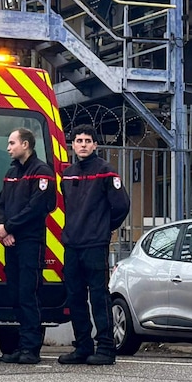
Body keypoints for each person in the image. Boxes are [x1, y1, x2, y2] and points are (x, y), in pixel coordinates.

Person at [57, 125, 129, 366]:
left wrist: (104, 227)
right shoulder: (68, 174)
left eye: (88, 140)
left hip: (95, 245)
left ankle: (106, 348)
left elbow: (121, 206)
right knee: (75, 297)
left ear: (96, 145)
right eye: (79, 140)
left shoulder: (106, 172)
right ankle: (83, 346)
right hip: (72, 245)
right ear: (73, 144)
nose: (83, 144)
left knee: (99, 296)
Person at [0, 127, 57, 365]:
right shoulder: (11, 173)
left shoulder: (42, 172)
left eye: (12, 143)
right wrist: (3, 228)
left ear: (26, 145)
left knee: (28, 294)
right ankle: (21, 346)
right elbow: (2, 203)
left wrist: (10, 227)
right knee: (16, 294)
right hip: (11, 241)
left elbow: (37, 207)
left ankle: (31, 348)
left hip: (30, 241)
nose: (9, 147)